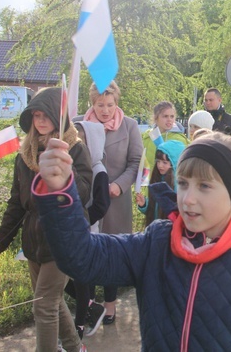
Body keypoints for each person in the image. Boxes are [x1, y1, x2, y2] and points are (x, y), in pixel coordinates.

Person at [32, 132, 231, 350]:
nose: (187, 198)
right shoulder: (157, 242)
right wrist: (59, 192)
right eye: (183, 183)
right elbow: (82, 257)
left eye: (205, 186)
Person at [0, 87, 92, 352]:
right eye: (35, 115)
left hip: (64, 239)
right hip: (35, 242)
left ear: (58, 116)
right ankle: (75, 347)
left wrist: (64, 170)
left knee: (44, 305)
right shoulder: (24, 157)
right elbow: (16, 205)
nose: (40, 120)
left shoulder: (74, 150)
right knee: (51, 300)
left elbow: (84, 193)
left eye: (46, 114)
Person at [85, 81, 144, 325]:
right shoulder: (81, 124)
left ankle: (110, 306)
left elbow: (136, 161)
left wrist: (119, 184)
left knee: (110, 251)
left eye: (110, 104)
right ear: (92, 104)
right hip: (87, 199)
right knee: (86, 251)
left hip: (115, 200)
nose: (105, 110)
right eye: (100, 105)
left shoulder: (129, 126)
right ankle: (88, 305)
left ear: (116, 103)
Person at [69, 121, 111, 338]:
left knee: (80, 278)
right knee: (68, 278)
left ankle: (80, 324)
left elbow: (102, 204)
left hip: (87, 230)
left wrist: (84, 222)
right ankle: (92, 307)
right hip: (72, 229)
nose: (77, 143)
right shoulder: (74, 165)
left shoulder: (98, 170)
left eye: (82, 139)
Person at [137, 140, 185, 228]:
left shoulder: (179, 186)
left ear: (175, 163)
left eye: (165, 162)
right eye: (158, 161)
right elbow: (155, 211)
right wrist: (144, 205)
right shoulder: (157, 179)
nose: (160, 166)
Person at [141, 100, 188, 169]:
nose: (169, 120)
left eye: (172, 116)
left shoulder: (178, 140)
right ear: (156, 118)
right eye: (165, 116)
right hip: (146, 178)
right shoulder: (146, 136)